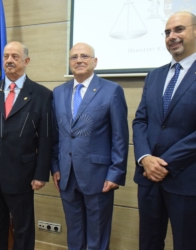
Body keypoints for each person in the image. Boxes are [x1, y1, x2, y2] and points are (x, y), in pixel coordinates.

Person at [0, 41, 52, 250]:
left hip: (22, 174)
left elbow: (46, 138)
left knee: (23, 229)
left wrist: (41, 173)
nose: (9, 60)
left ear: (26, 61)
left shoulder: (42, 95)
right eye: (6, 56)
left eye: (15, 56)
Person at [51, 42, 129, 250]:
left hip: (98, 176)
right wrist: (55, 166)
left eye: (84, 56)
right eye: (74, 57)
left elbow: (120, 136)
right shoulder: (58, 93)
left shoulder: (111, 91)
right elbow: (55, 135)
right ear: (69, 63)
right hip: (66, 176)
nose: (79, 60)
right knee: (74, 234)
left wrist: (115, 173)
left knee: (97, 235)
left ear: (95, 62)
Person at [133, 11, 196, 250]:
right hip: (149, 178)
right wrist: (145, 158)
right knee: (148, 243)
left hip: (187, 179)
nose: (172, 36)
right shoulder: (155, 75)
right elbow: (141, 121)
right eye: (167, 32)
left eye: (179, 29)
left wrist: (163, 163)